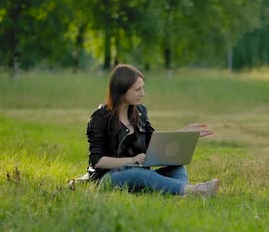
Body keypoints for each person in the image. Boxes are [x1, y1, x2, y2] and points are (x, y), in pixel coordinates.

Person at [84, 64, 220, 196]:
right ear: (122, 89)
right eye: (137, 89)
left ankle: (182, 194)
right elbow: (97, 161)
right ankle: (195, 190)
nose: (143, 93)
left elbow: (154, 144)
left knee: (178, 167)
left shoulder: (140, 112)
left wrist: (183, 132)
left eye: (143, 88)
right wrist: (132, 160)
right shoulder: (100, 117)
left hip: (140, 173)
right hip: (107, 178)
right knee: (138, 174)